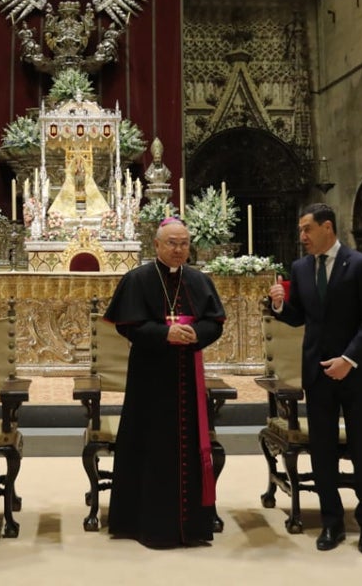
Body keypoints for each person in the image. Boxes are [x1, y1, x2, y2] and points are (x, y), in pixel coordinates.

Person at [267, 203, 362, 555]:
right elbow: (299, 316)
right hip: (318, 374)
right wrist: (278, 306)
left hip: (355, 374)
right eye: (301, 230)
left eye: (307, 229)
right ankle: (331, 522)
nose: (302, 237)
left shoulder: (360, 264)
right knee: (322, 452)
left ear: (327, 228)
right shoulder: (301, 268)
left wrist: (348, 359)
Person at [103, 216, 226, 548]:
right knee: (150, 444)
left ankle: (193, 524)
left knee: (188, 444)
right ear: (156, 245)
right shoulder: (138, 279)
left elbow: (215, 323)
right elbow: (126, 325)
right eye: (171, 243)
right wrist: (164, 333)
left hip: (188, 374)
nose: (178, 249)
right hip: (149, 377)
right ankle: (146, 523)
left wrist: (194, 334)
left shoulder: (199, 280)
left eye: (184, 243)